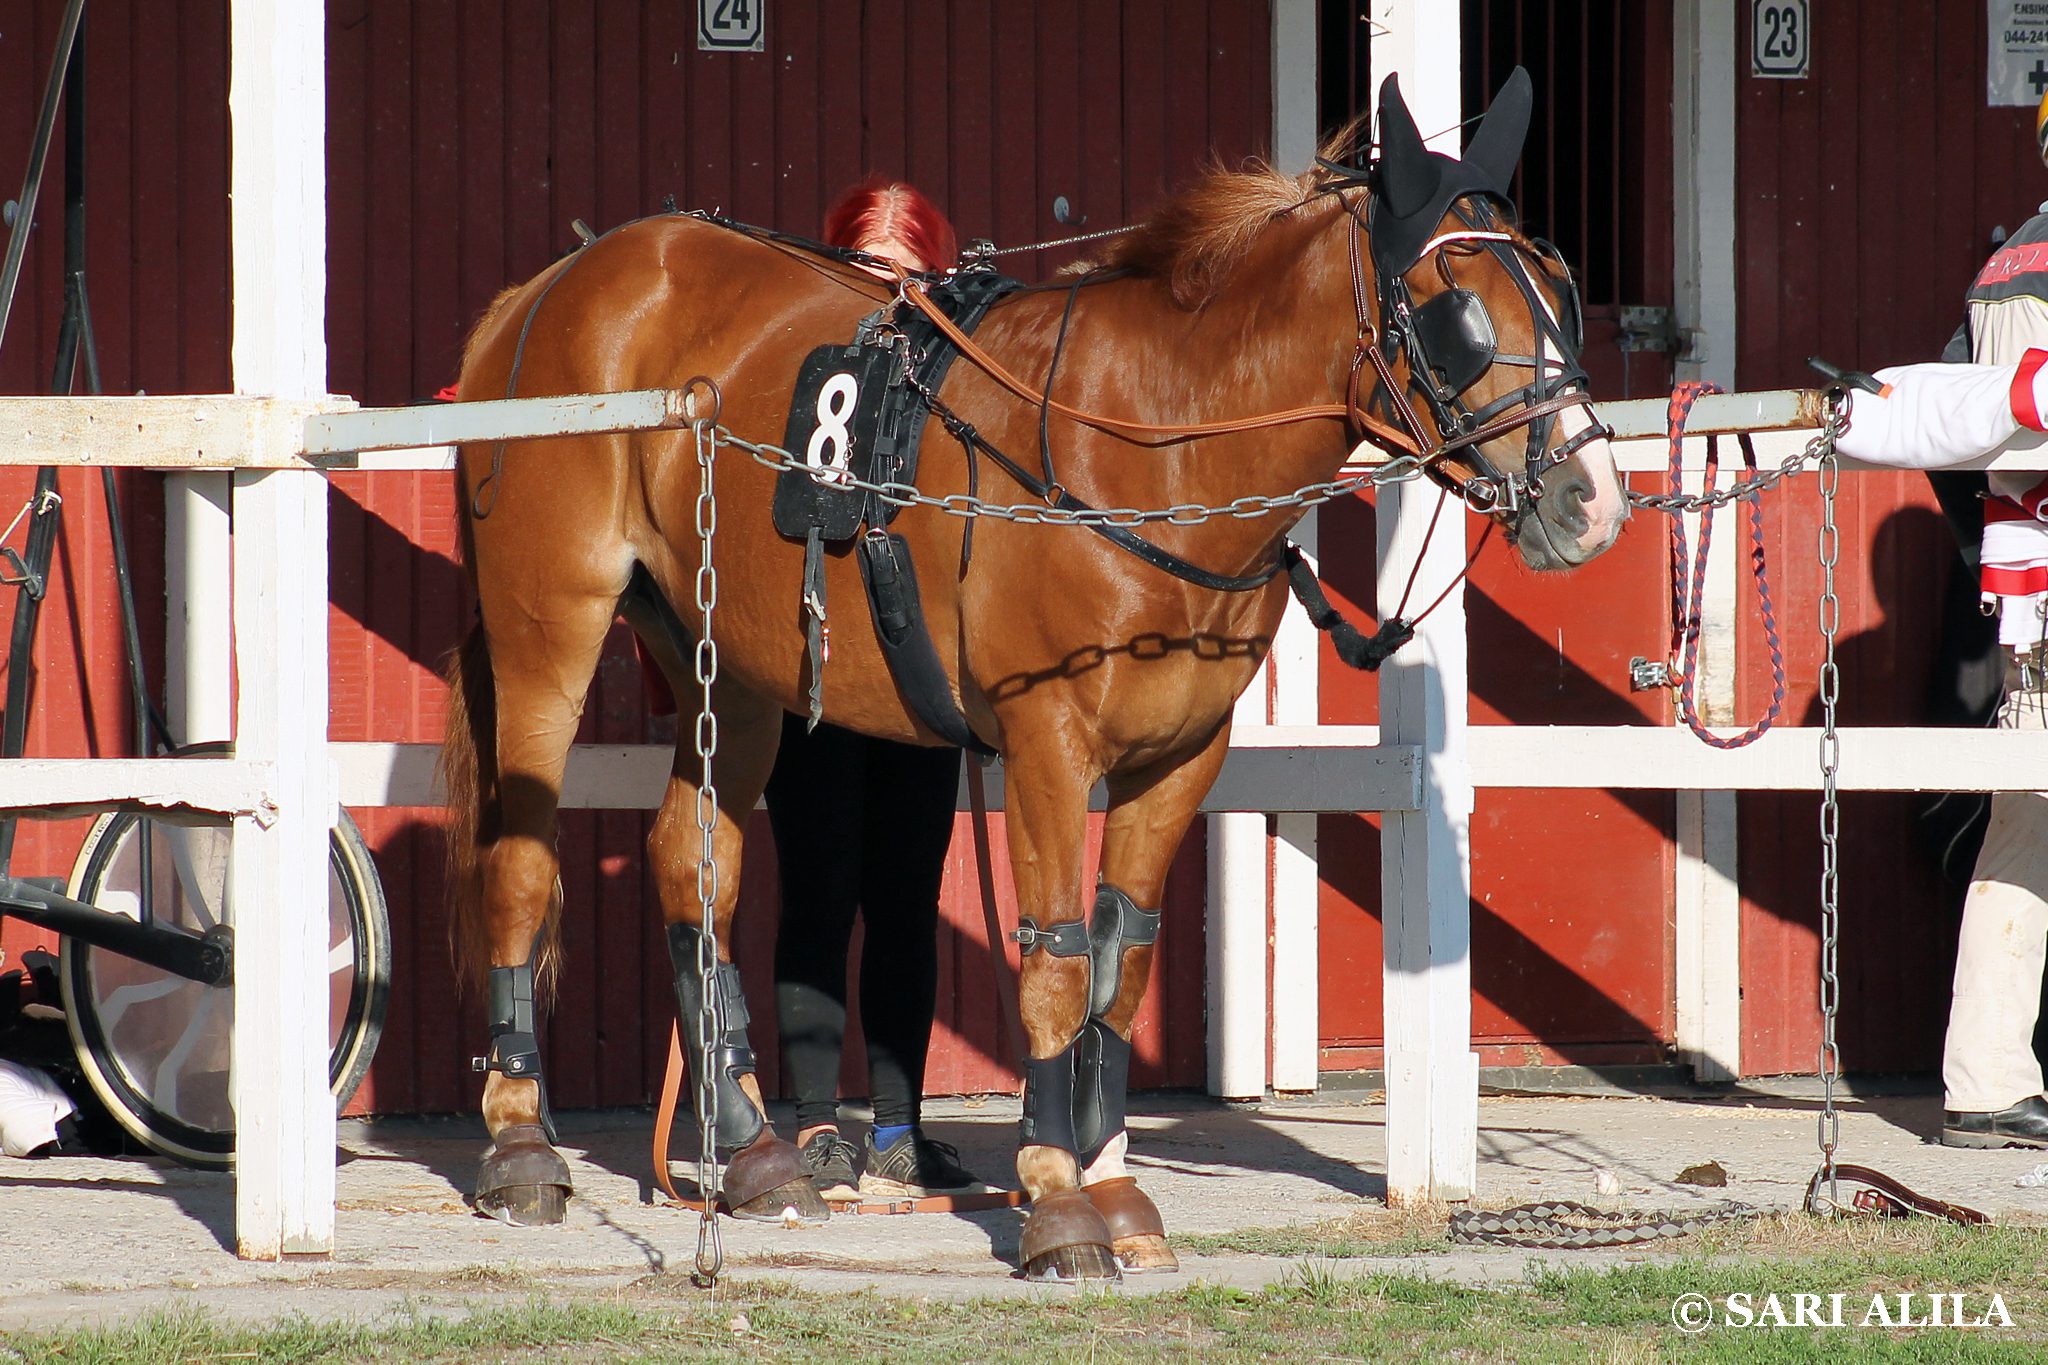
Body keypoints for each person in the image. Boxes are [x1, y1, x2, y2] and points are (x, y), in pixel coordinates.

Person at [1832, 90, 2048, 1148]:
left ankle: (1987, 1077)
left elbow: (1957, 438)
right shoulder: (2030, 270)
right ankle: (1989, 1080)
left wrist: (1990, 561)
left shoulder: (2007, 269)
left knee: (2027, 817)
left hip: (2029, 595)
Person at [767, 179, 986, 1199]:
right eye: (868, 273)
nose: (888, 295)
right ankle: (817, 1124)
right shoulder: (806, 374)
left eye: (905, 276)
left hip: (915, 676)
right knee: (819, 893)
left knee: (904, 902)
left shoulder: (956, 389)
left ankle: (898, 1128)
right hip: (817, 668)